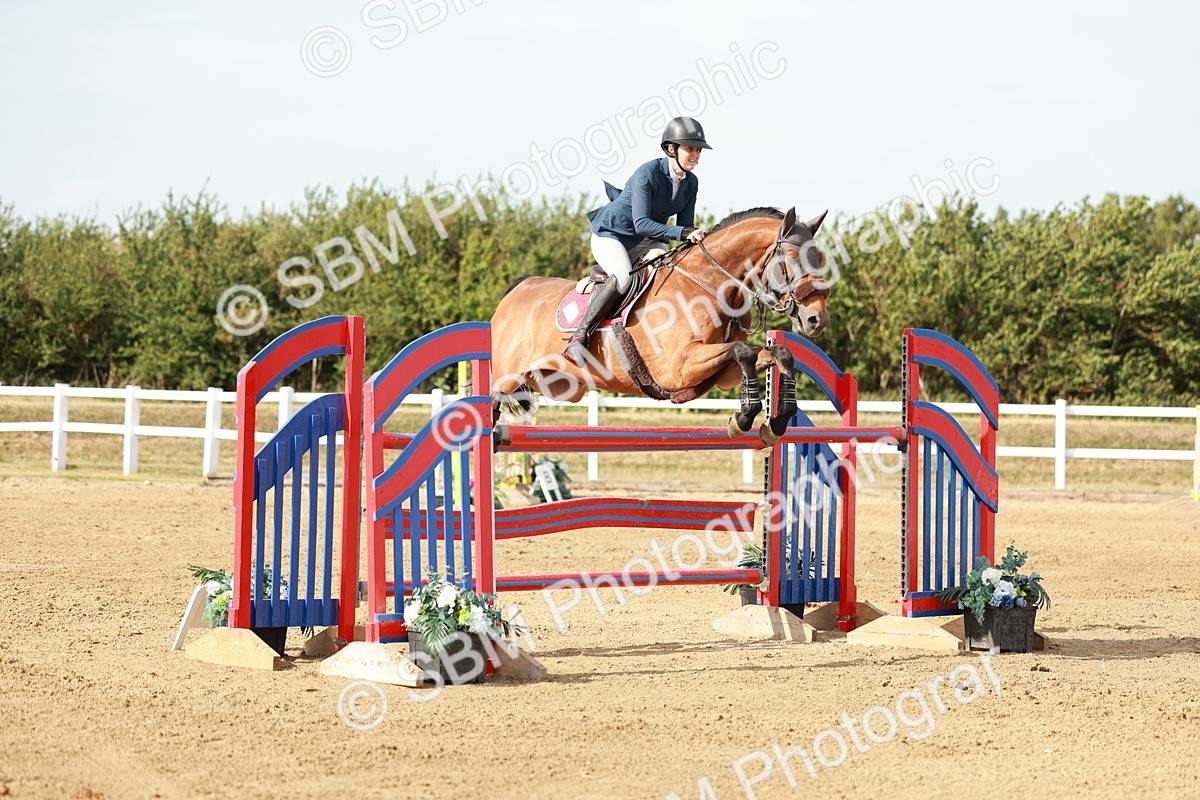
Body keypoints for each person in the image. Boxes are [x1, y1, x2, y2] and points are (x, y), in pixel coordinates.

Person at [563, 116, 712, 366]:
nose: (695, 155)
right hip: (612, 235)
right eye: (690, 149)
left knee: (670, 273)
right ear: (671, 149)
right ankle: (579, 338)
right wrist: (684, 233)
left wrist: (695, 236)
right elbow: (642, 222)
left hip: (646, 241)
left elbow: (684, 225)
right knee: (623, 277)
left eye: (698, 150)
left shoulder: (691, 182)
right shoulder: (648, 173)